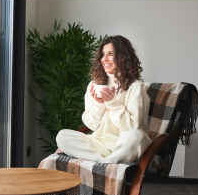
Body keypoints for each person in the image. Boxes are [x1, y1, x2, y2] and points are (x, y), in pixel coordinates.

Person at [55, 35, 152, 165]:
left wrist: (112, 103)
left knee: (137, 136)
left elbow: (131, 126)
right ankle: (106, 162)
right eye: (102, 54)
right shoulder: (94, 85)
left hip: (124, 143)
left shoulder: (134, 86)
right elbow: (92, 125)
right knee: (62, 136)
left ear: (122, 56)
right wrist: (100, 106)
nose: (104, 59)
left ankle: (103, 161)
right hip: (99, 143)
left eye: (110, 54)